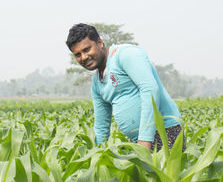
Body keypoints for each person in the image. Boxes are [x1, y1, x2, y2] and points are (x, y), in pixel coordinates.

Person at [66, 23, 185, 151]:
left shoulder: (124, 55)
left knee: (166, 171)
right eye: (78, 55)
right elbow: (101, 126)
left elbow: (149, 89)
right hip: (137, 141)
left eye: (87, 50)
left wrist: (145, 140)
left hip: (164, 131)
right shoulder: (97, 83)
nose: (83, 57)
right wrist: (98, 156)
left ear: (99, 43)